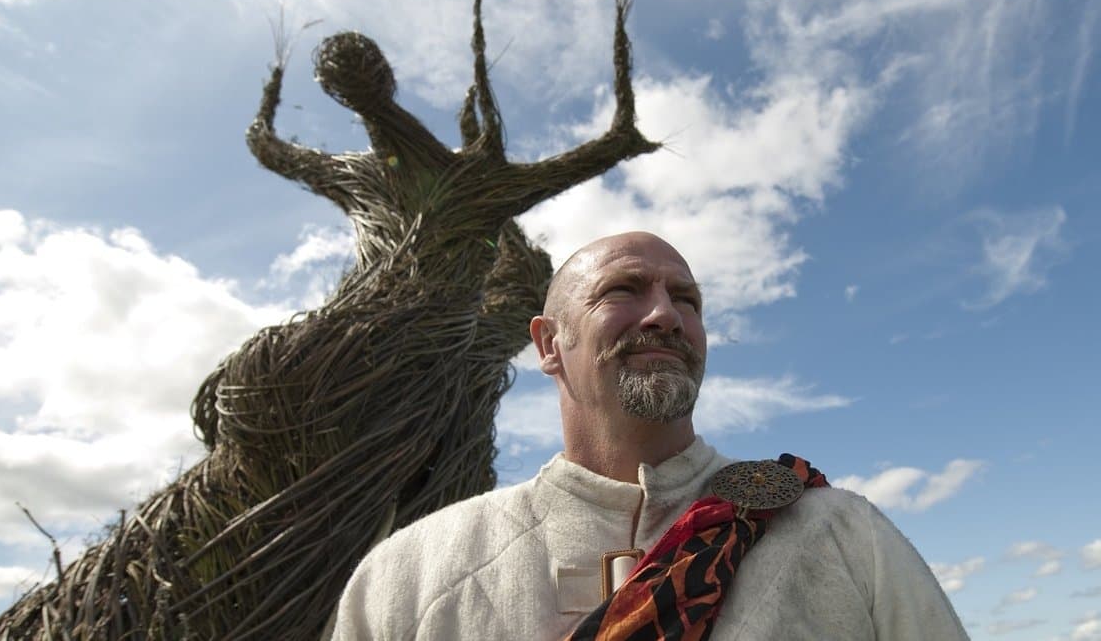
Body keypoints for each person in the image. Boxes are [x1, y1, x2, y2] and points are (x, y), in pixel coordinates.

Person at [330, 231, 969, 640]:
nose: (666, 315)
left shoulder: (843, 534)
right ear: (549, 344)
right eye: (624, 291)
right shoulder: (408, 576)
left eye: (686, 300)